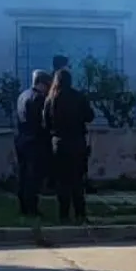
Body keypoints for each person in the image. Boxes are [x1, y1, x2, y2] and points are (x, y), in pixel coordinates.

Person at [42, 68, 95, 224]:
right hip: (77, 142)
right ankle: (80, 213)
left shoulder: (51, 99)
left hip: (58, 143)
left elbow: (45, 124)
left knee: (62, 181)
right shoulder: (78, 97)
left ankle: (64, 215)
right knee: (77, 180)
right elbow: (90, 116)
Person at [14, 69, 51, 217]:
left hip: (21, 139)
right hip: (34, 141)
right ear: (42, 83)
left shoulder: (23, 95)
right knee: (33, 177)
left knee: (23, 175)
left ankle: (23, 206)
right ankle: (32, 208)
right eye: (48, 85)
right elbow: (42, 122)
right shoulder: (38, 98)